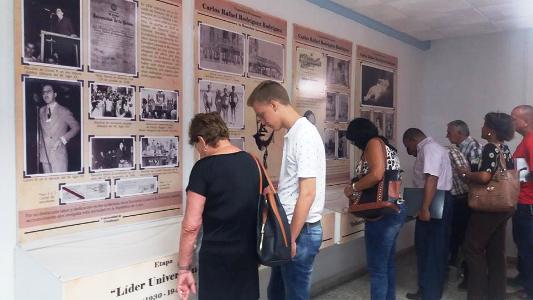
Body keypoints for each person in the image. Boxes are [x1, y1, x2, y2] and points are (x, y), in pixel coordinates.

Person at [248, 80, 326, 300]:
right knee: (277, 292)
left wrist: (289, 239)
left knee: (293, 294)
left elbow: (308, 192)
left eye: (262, 114)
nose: (262, 121)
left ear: (274, 105)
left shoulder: (304, 135)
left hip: (300, 232)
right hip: (291, 229)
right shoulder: (295, 134)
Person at [176, 112, 265, 300]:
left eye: (197, 147)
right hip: (248, 254)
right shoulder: (253, 162)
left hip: (216, 257)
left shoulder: (203, 168)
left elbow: (191, 226)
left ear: (201, 140)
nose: (199, 152)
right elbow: (263, 208)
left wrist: (184, 268)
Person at [344, 118, 406, 300]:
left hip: (381, 214)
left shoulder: (373, 144)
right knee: (387, 265)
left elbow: (377, 174)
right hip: (394, 209)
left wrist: (353, 188)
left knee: (377, 269)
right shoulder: (385, 145)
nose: (354, 144)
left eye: (353, 140)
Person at [457, 112, 515, 300]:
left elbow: (484, 177)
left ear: (491, 130)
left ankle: (477, 294)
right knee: (496, 251)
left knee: (472, 248)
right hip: (504, 205)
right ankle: (497, 294)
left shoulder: (490, 147)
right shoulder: (505, 148)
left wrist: (466, 174)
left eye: (484, 124)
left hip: (488, 207)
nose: (481, 127)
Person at [402, 128, 453, 300]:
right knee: (432, 248)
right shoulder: (435, 148)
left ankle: (429, 293)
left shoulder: (429, 149)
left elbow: (432, 178)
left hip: (433, 202)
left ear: (411, 140)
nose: (409, 152)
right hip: (437, 200)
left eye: (407, 146)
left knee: (430, 249)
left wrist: (424, 208)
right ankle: (428, 290)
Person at [446, 120, 483, 289]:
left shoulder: (472, 147)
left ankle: (470, 277)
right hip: (462, 197)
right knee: (459, 236)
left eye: (449, 132)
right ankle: (461, 271)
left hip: (469, 198)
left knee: (467, 239)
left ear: (460, 133)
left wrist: (464, 175)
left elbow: (475, 175)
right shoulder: (459, 148)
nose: (447, 135)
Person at [510, 105, 533, 300]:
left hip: (529, 204)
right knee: (522, 245)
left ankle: (529, 290)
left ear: (525, 121)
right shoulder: (526, 141)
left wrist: (517, 178)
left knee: (528, 248)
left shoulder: (532, 141)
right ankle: (523, 279)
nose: (511, 123)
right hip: (523, 201)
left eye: (514, 119)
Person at [38, 84, 80, 173]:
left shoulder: (64, 111)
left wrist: (62, 140)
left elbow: (76, 127)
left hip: (58, 155)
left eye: (49, 91)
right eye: (43, 92)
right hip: (44, 155)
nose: (46, 94)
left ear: (55, 94)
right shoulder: (41, 111)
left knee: (59, 183)